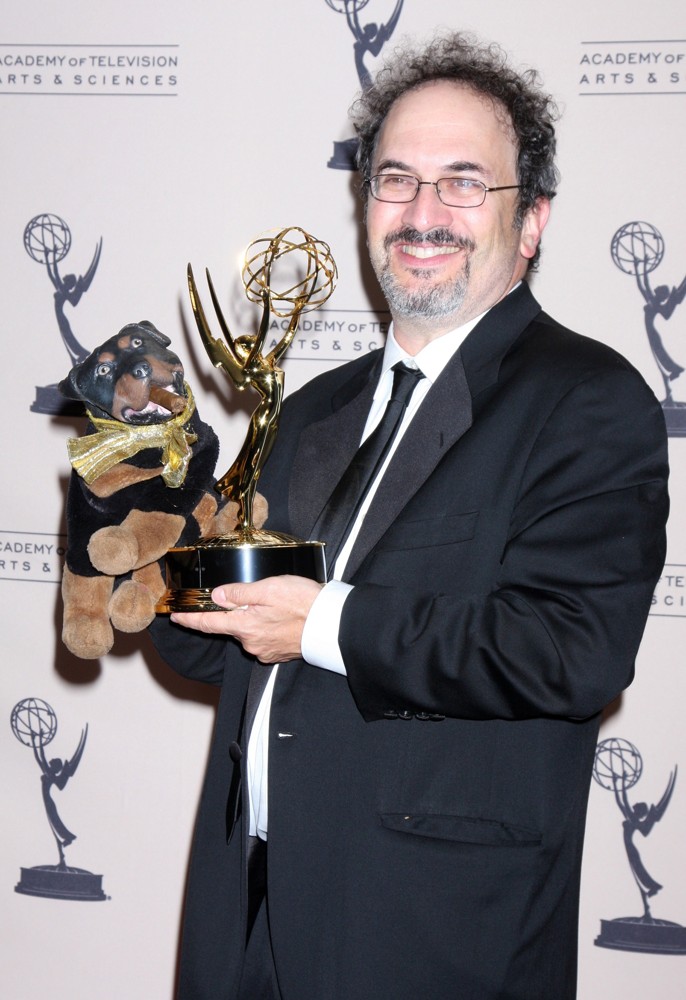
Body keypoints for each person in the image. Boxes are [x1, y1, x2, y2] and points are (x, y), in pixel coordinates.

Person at [149, 31, 669, 1000]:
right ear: (364, 204)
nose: (422, 212)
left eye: (463, 182)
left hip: (430, 931)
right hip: (247, 910)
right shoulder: (310, 409)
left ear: (532, 220)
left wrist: (325, 619)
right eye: (395, 179)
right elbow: (221, 654)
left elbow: (570, 650)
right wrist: (140, 544)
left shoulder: (587, 399)